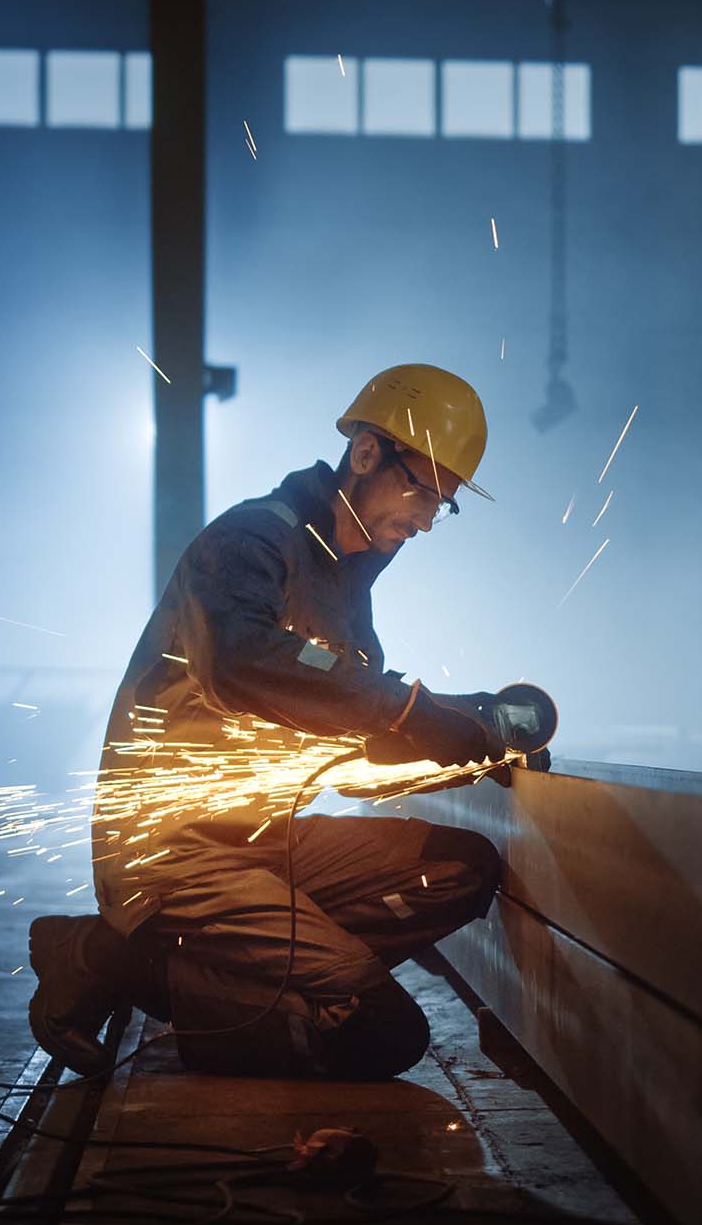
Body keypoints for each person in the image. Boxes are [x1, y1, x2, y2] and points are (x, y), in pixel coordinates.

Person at [28, 364, 515, 1081]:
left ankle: (263, 982)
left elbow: (338, 711)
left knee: (463, 868)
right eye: (421, 489)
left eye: (443, 504)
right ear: (366, 454)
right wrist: (405, 709)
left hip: (264, 841)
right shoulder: (253, 540)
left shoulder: (347, 586)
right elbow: (243, 660)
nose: (425, 519)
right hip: (174, 850)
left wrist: (455, 728)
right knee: (378, 1035)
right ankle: (103, 956)